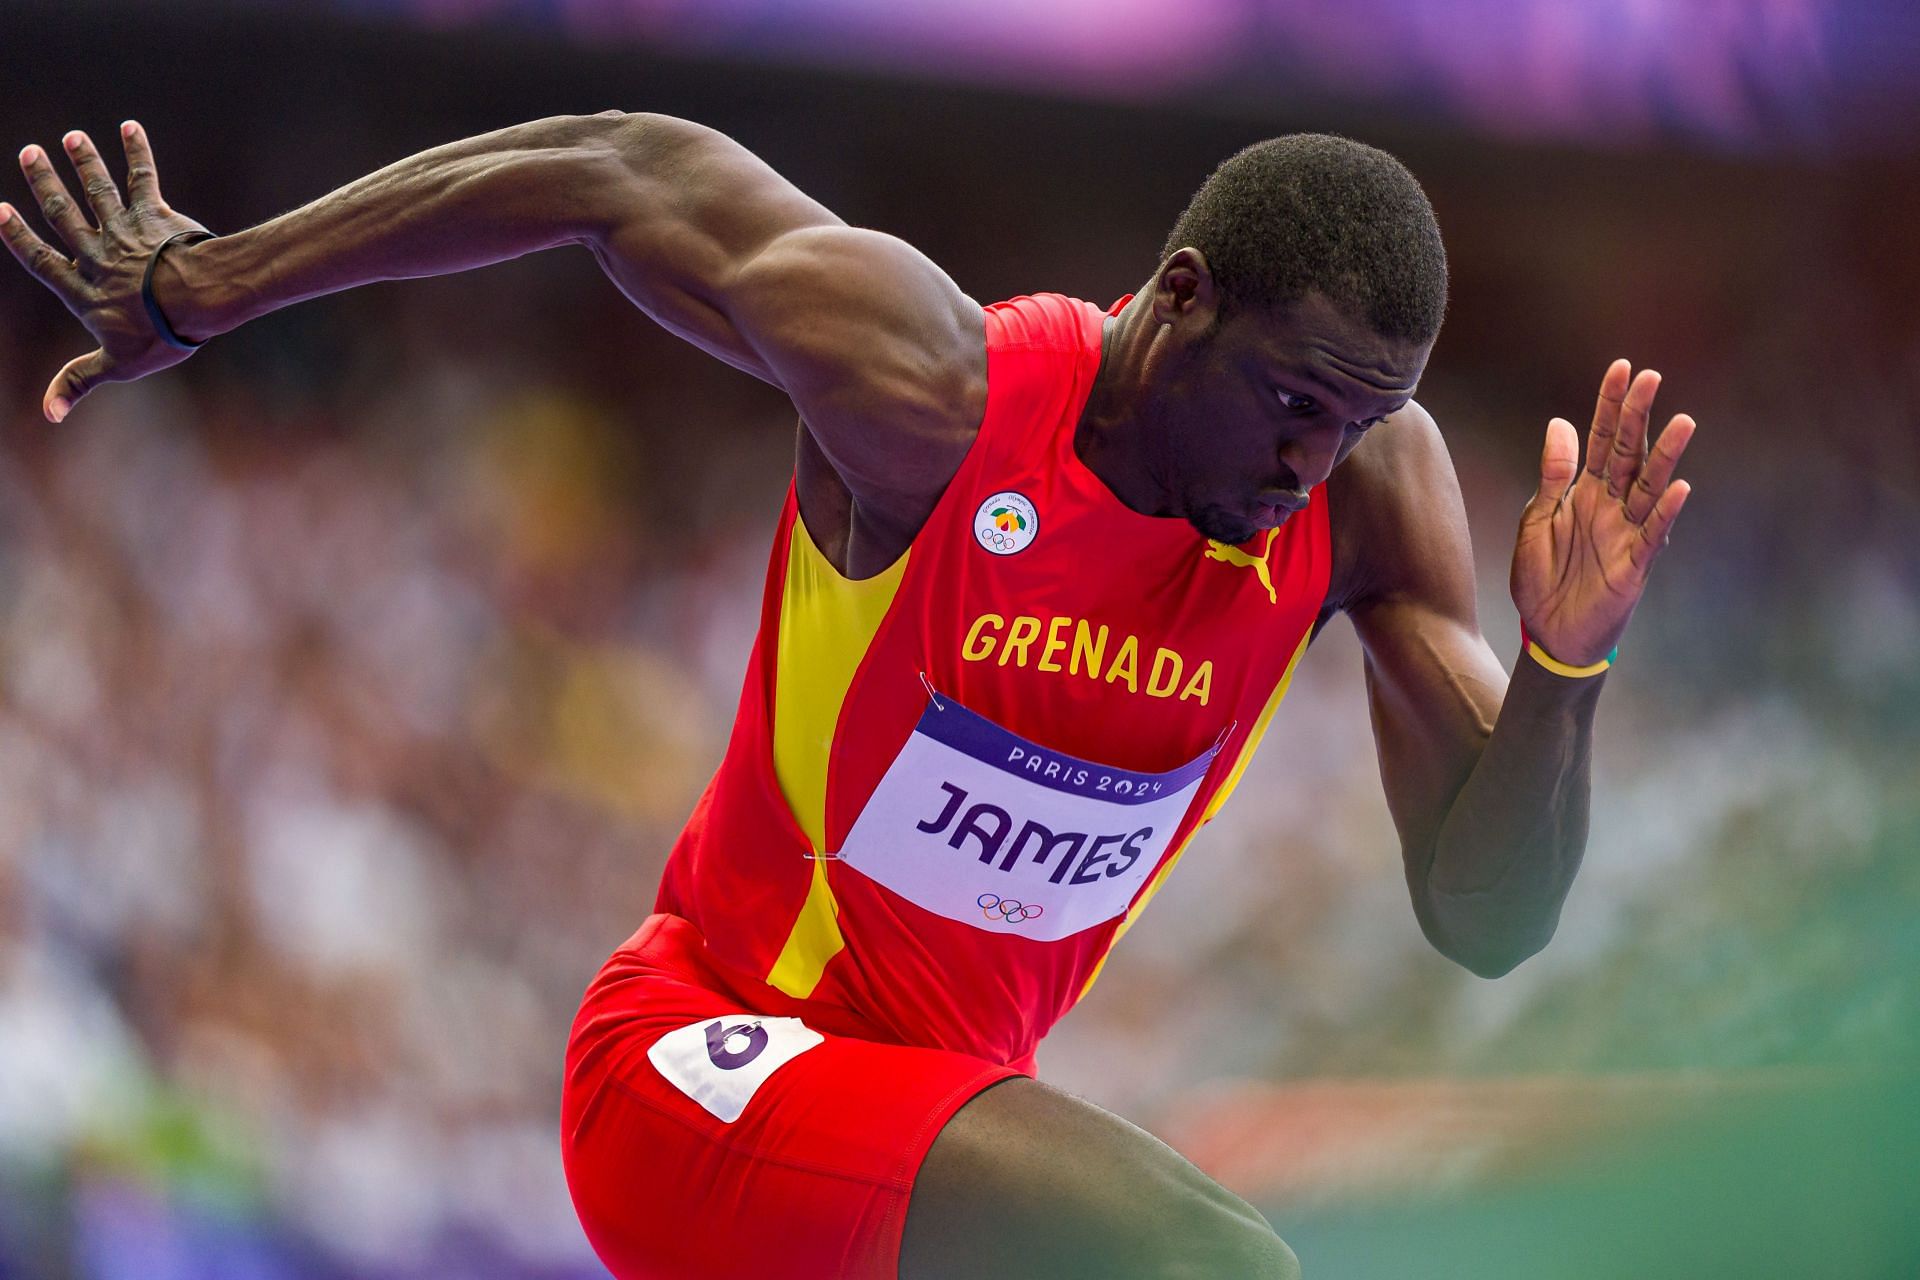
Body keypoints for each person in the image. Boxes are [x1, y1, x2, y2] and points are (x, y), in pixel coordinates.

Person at [2, 112, 1692, 1279]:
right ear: (1178, 301)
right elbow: (621, 167)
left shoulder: (1362, 495)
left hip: (918, 1159)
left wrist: (1564, 665)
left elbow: (1488, 920)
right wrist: (204, 284)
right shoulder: (938, 394)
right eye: (1288, 402)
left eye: (1358, 417)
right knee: (1207, 1258)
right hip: (698, 1069)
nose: (1307, 459)